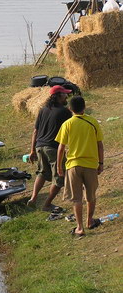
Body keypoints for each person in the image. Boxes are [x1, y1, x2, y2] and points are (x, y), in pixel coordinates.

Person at [56, 96, 104, 237]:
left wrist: (59, 167)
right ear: (84, 107)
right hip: (90, 164)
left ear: (70, 109)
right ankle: (90, 221)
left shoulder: (67, 124)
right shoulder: (93, 122)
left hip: (73, 165)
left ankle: (80, 227)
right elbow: (99, 145)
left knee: (76, 198)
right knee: (91, 196)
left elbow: (61, 148)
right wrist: (100, 163)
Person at [27, 85, 72, 211]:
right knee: (59, 176)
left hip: (39, 147)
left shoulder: (43, 109)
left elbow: (35, 131)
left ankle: (33, 198)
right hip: (53, 148)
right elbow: (72, 128)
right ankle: (47, 204)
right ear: (58, 96)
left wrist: (32, 150)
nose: (66, 96)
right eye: (64, 94)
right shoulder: (64, 112)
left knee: (42, 173)